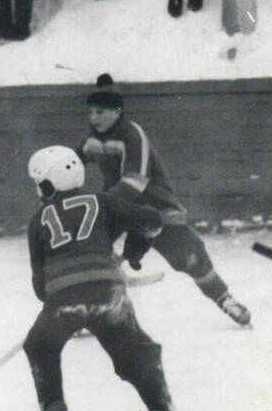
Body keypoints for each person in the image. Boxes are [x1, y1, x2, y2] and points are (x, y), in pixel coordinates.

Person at [23, 145, 203, 411]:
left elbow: (40, 286)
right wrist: (134, 251)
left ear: (47, 183)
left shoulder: (38, 220)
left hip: (62, 300)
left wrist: (59, 302)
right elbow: (152, 222)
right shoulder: (103, 201)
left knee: (40, 346)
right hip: (109, 295)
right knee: (137, 354)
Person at [77, 74, 252, 326]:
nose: (94, 118)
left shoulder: (132, 136)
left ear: (117, 111)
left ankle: (225, 300)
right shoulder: (91, 138)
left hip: (156, 208)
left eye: (100, 112)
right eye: (90, 112)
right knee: (88, 249)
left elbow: (134, 184)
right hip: (118, 207)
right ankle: (84, 311)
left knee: (191, 257)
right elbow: (70, 163)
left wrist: (99, 206)